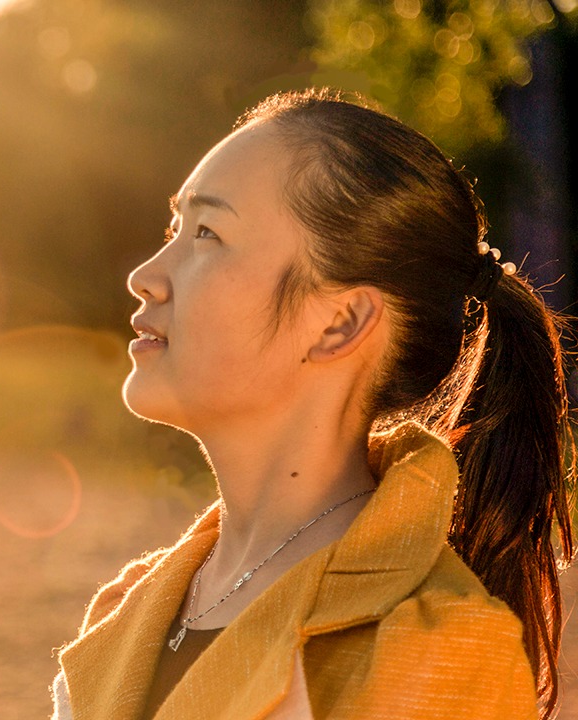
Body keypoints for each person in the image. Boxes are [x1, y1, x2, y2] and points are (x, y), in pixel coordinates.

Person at [50, 88, 574, 720]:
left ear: (340, 323)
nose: (145, 274)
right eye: (174, 229)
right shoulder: (128, 608)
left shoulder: (432, 647)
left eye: (208, 233)